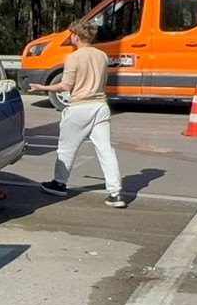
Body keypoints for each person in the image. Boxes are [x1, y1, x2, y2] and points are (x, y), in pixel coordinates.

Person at [30, 20, 126, 208]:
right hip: (100, 106)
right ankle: (115, 193)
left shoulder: (73, 57)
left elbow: (66, 85)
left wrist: (43, 87)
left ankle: (59, 183)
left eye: (72, 34)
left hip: (80, 107)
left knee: (67, 148)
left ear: (76, 36)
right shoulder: (102, 56)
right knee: (106, 150)